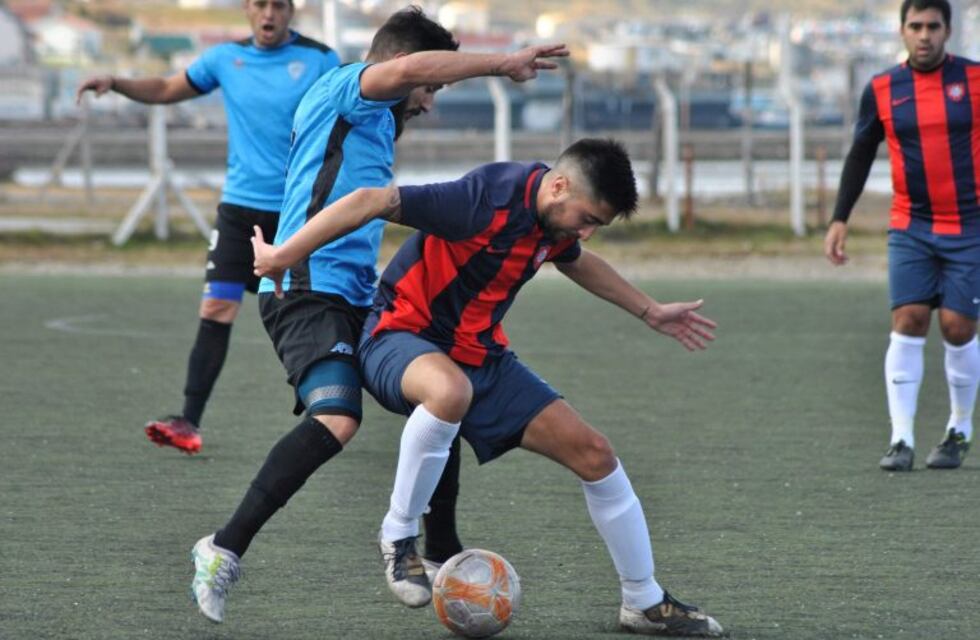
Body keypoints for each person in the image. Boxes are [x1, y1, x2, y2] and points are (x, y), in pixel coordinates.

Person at [253, 138, 724, 637]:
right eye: (587, 219)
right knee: (449, 392)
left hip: (480, 356)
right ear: (559, 186)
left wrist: (649, 310)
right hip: (398, 336)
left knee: (596, 455)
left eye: (596, 226)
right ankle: (398, 537)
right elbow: (372, 200)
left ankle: (643, 600)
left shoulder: (554, 218)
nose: (585, 232)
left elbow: (575, 259)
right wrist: (284, 255)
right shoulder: (484, 200)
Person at [187, 7, 568, 623]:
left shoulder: (377, 121)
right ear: (400, 68)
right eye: (430, 88)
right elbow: (407, 72)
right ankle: (222, 549)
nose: (430, 103)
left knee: (442, 392)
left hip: (359, 297)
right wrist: (502, 62)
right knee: (337, 418)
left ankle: (440, 549)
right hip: (306, 288)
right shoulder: (346, 89)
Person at [76, 0, 340, 454]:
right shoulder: (224, 59)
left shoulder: (320, 59)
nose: (269, 14)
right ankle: (189, 421)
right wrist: (116, 83)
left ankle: (338, 405)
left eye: (278, 5)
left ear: (292, 11)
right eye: (260, 5)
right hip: (238, 209)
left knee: (306, 311)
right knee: (217, 307)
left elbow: (352, 110)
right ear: (247, 10)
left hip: (297, 210)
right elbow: (166, 87)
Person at [825, 0, 979, 472]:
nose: (924, 35)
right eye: (916, 26)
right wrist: (839, 218)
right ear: (902, 31)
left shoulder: (975, 80)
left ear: (948, 30)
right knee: (908, 319)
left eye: (933, 26)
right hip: (911, 227)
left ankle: (959, 429)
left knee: (957, 326)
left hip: (971, 227)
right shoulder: (882, 88)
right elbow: (860, 153)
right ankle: (901, 439)